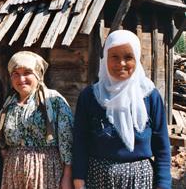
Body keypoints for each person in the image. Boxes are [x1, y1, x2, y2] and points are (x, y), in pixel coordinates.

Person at [72, 30, 171, 189]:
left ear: (137, 59)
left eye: (128, 57)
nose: (121, 63)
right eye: (115, 57)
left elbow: (162, 147)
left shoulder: (150, 96)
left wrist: (164, 184)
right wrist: (78, 180)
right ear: (105, 59)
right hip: (98, 178)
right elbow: (80, 142)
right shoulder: (90, 97)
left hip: (140, 179)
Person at [0, 51, 74, 189]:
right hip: (13, 172)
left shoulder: (53, 100)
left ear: (38, 74)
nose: (21, 79)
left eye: (27, 72)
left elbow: (67, 140)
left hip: (46, 172)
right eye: (16, 73)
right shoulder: (8, 104)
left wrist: (67, 176)